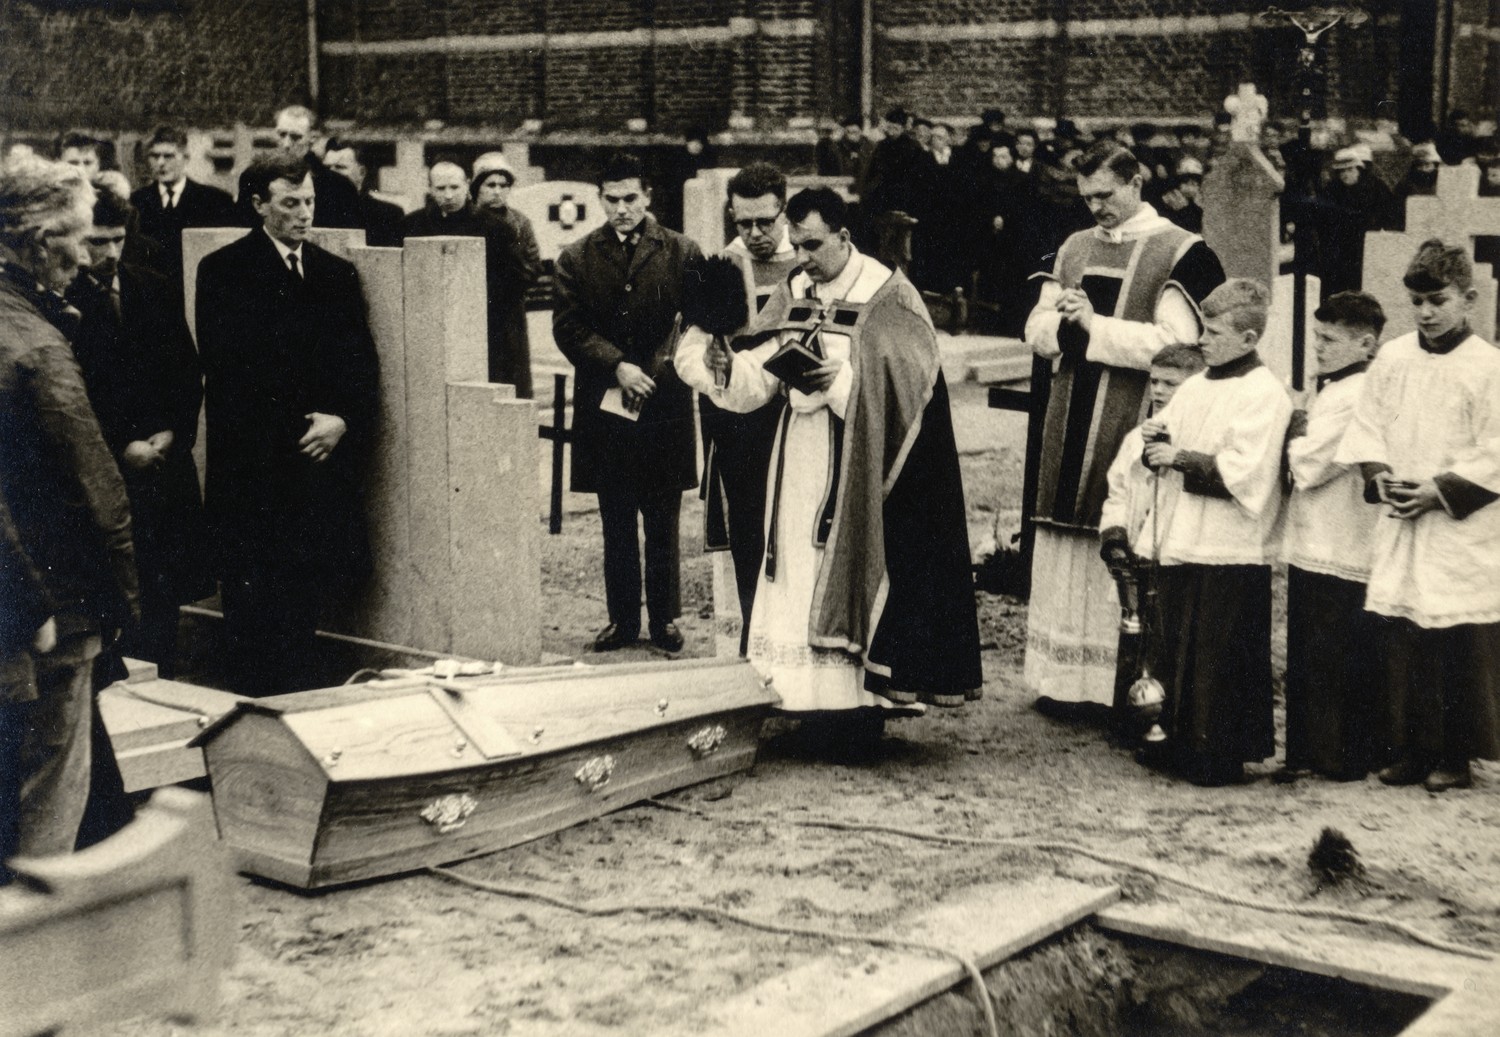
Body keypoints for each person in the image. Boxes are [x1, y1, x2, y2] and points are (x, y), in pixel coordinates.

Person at [677, 187, 981, 752]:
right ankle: (802, 701)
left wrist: (840, 384)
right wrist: (728, 370)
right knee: (795, 568)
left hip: (863, 466)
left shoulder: (888, 296)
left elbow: (910, 394)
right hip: (796, 459)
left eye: (813, 245)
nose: (802, 258)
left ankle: (855, 709)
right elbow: (763, 376)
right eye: (796, 245)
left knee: (845, 568)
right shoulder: (796, 288)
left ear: (845, 236)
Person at [1023, 139, 1225, 715]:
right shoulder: (1074, 246)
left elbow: (1178, 347)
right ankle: (1063, 682)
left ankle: (1121, 686)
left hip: (1135, 413)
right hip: (1069, 412)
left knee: (1120, 532)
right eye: (1087, 197)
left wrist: (1095, 326)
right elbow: (1035, 326)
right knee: (1066, 537)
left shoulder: (1182, 251)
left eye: (1106, 195)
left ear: (1136, 183)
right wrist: (1060, 327)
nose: (1096, 208)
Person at [196, 155, 380, 695]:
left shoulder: (335, 273)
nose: (304, 214)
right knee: (254, 610)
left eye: (310, 202)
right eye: (290, 203)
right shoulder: (224, 271)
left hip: (318, 465)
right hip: (256, 469)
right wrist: (302, 427)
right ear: (259, 205)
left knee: (307, 602)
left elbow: (360, 363)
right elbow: (231, 372)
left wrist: (342, 419)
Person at [0, 155, 139, 860]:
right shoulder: (37, 346)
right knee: (49, 794)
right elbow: (95, 487)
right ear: (39, 243)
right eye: (79, 241)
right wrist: (122, 596)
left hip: (25, 596)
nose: (87, 259)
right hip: (50, 604)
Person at [1336, 240, 1500, 792]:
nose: (1426, 313)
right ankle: (1410, 748)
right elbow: (1367, 423)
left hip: (1456, 523)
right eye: (1416, 302)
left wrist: (1439, 491)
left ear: (1468, 299)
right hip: (1402, 514)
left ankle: (1454, 755)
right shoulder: (1394, 357)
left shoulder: (1488, 366)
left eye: (1438, 301)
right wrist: (1378, 475)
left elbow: (1496, 450)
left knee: (1453, 639)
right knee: (1403, 634)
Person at [1139, 280, 1292, 785]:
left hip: (1232, 544)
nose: (1202, 340)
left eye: (1215, 332)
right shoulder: (1197, 385)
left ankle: (1219, 754)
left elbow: (1248, 471)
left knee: (1220, 651)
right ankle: (1176, 740)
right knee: (1180, 641)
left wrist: (1179, 457)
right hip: (1187, 533)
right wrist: (1154, 438)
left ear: (1248, 339)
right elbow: (1165, 438)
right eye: (1203, 329)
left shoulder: (1264, 393)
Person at [552, 152, 703, 653]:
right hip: (606, 407)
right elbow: (568, 327)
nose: (621, 209)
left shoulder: (682, 251)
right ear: (600, 199)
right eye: (612, 199)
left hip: (664, 405)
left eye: (631, 198)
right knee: (616, 519)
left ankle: (664, 620)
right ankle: (622, 620)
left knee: (662, 519)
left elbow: (699, 321)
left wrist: (668, 363)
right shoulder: (576, 257)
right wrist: (616, 364)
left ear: (648, 196)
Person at [66, 186, 209, 676]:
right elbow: (76, 395)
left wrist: (172, 434)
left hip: (163, 463)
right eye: (97, 241)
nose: (109, 253)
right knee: (113, 587)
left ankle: (162, 674)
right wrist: (120, 447)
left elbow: (187, 371)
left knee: (164, 586)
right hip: (106, 467)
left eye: (118, 240)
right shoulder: (63, 299)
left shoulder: (154, 286)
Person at [675, 162, 799, 655]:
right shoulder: (724, 265)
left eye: (765, 222)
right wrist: (712, 370)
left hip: (797, 418)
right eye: (744, 223)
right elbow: (687, 351)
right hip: (737, 425)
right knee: (749, 532)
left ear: (784, 211)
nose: (755, 234)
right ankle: (752, 640)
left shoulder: (807, 263)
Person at [1278, 290, 1386, 784]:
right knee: (1311, 647)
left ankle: (1340, 755)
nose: (1319, 347)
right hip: (1315, 536)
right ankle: (1309, 750)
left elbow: (1310, 464)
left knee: (1334, 649)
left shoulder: (1359, 393)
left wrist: (1295, 424)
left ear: (1366, 344)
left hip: (1341, 538)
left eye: (1330, 340)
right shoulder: (1334, 387)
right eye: (1317, 337)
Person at [1098, 343, 1204, 741]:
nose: (1158, 390)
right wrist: (1115, 537)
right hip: (1135, 555)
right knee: (1133, 635)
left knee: (1167, 641)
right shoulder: (1135, 438)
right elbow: (1118, 490)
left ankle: (1166, 724)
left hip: (1173, 555)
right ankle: (1128, 720)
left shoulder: (1192, 441)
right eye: (1154, 381)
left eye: (1170, 384)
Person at [471, 152, 542, 397]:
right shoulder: (468, 219)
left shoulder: (520, 223)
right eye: (490, 185)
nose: (497, 191)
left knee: (513, 373)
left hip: (510, 310)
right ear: (477, 187)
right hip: (475, 310)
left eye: (503, 185)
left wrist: (512, 275)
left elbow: (533, 264)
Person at [128, 125, 236, 288]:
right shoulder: (136, 202)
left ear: (186, 158)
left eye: (168, 156)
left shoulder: (216, 201)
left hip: (198, 289)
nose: (161, 163)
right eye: (154, 156)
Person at [235, 105, 362, 230]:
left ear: (312, 138)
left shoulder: (338, 186)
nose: (286, 144)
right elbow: (242, 230)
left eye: (295, 137)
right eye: (282, 135)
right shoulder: (253, 178)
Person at [322, 141, 405, 247]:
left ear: (361, 172)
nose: (331, 174)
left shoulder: (387, 216)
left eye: (340, 167)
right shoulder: (315, 211)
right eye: (327, 168)